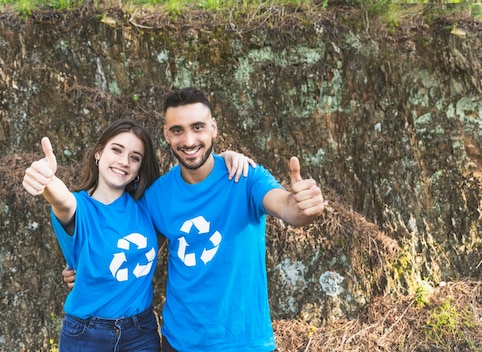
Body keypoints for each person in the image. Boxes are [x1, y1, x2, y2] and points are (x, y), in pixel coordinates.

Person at [64, 88, 324, 351]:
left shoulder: (245, 178)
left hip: (244, 342)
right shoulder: (157, 196)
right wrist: (87, 271)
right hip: (179, 342)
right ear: (166, 134)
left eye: (198, 127)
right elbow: (133, 248)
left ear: (213, 128)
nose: (188, 140)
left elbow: (286, 208)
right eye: (177, 130)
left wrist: (301, 206)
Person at [23, 119, 254, 352]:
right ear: (98, 153)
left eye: (135, 157)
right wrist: (48, 179)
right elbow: (61, 200)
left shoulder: (149, 207)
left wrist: (225, 157)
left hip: (140, 333)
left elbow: (192, 180)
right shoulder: (79, 207)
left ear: (138, 169)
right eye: (116, 150)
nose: (124, 162)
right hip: (87, 335)